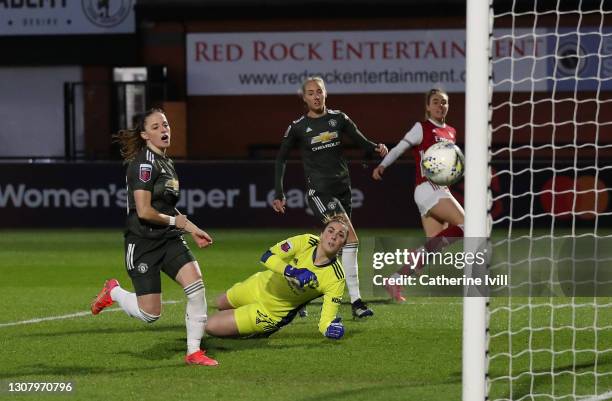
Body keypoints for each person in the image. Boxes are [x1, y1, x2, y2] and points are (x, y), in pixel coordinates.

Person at [90, 108, 218, 366]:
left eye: (166, 125)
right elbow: (145, 211)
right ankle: (114, 291)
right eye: (157, 126)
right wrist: (176, 222)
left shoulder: (167, 163)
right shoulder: (143, 165)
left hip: (168, 238)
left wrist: (193, 229)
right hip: (143, 243)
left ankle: (194, 352)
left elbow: (169, 209)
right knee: (150, 315)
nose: (164, 130)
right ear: (145, 134)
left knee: (196, 288)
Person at [272, 76, 388, 319]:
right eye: (311, 93)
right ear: (304, 98)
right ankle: (356, 302)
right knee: (350, 238)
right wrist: (280, 193)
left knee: (331, 248)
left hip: (343, 190)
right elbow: (281, 158)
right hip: (320, 193)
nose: (316, 96)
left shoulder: (338, 119)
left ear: (326, 94)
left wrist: (376, 147)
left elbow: (360, 141)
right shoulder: (298, 127)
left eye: (319, 92)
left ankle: (297, 292)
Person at [372, 88, 465, 302]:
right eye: (435, 102)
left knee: (432, 247)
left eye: (444, 102)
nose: (440, 105)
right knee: (466, 224)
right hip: (427, 188)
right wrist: (383, 166)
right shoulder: (421, 128)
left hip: (440, 188)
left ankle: (396, 280)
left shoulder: (451, 131)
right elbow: (398, 149)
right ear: (428, 106)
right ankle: (412, 259)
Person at [205, 216, 348, 339]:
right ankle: (240, 322)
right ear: (322, 234)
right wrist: (293, 272)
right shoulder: (306, 241)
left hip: (269, 313)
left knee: (209, 326)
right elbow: (267, 256)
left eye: (340, 235)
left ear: (343, 246)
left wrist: (329, 329)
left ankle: (258, 330)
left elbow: (326, 321)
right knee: (220, 302)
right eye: (330, 231)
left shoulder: (336, 277)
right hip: (259, 285)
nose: (334, 236)